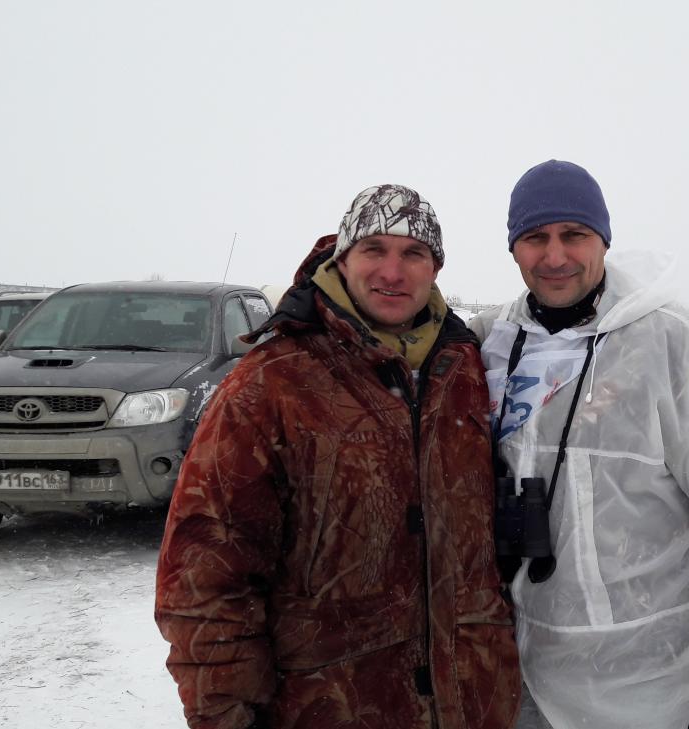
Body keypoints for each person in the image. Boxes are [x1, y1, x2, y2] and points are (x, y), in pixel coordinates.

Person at [155, 184, 521, 729]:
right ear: (343, 259)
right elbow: (207, 570)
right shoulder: (273, 380)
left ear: (435, 269)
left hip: (472, 701)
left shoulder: (465, 368)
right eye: (374, 249)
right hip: (331, 704)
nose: (393, 271)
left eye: (413, 253)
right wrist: (224, 711)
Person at [470, 160, 689, 729]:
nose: (554, 256)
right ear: (513, 248)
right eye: (534, 237)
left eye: (574, 234)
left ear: (604, 240)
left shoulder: (676, 346)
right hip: (515, 673)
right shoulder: (490, 343)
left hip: (648, 683)